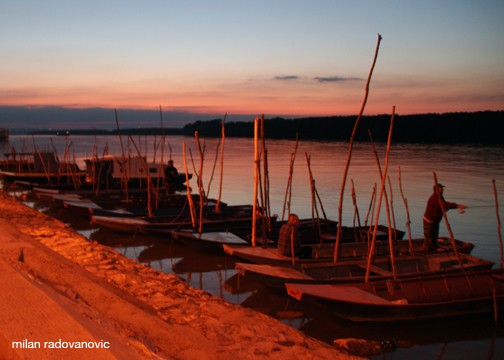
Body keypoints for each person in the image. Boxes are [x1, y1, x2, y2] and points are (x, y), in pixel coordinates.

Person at [423, 183, 467, 251]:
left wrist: (457, 207)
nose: (442, 190)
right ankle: (428, 252)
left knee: (434, 238)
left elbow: (443, 206)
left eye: (442, 188)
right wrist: (457, 206)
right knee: (429, 239)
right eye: (441, 189)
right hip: (429, 222)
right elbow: (444, 205)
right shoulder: (435, 198)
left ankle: (433, 249)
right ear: (437, 190)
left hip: (435, 221)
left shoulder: (440, 197)